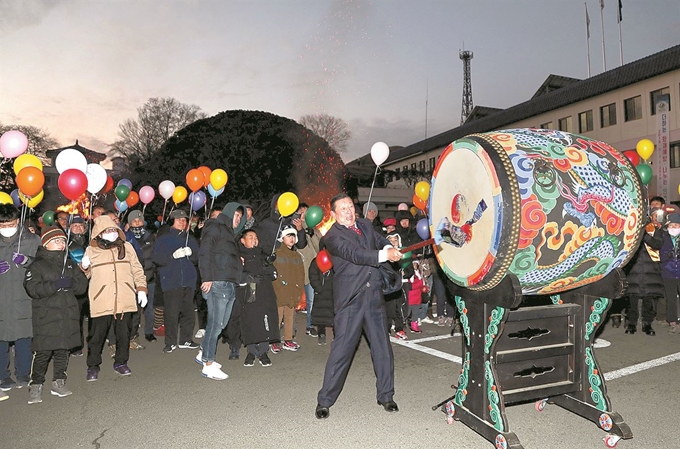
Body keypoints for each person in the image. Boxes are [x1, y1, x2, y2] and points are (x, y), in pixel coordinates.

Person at [315, 194, 403, 419]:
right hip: (350, 300)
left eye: (350, 206)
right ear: (333, 214)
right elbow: (355, 254)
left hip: (373, 295)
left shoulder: (364, 224)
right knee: (342, 351)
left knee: (382, 348)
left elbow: (378, 240)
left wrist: (389, 245)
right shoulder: (332, 236)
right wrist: (384, 254)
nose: (348, 211)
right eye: (342, 208)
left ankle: (386, 395)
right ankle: (325, 400)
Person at [24, 226, 88, 404]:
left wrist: (72, 284)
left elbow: (82, 285)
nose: (61, 244)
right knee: (43, 353)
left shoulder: (69, 262)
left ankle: (59, 382)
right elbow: (32, 288)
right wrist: (54, 285)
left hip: (67, 314)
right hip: (46, 316)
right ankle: (36, 385)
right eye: (56, 241)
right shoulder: (37, 265)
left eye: (62, 241)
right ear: (45, 244)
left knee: (63, 351)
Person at [80, 215, 148, 380]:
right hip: (102, 299)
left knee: (123, 334)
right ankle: (93, 365)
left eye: (113, 230)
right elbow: (85, 276)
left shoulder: (127, 247)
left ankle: (121, 362)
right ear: (99, 233)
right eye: (107, 230)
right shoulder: (91, 250)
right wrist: (84, 266)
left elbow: (137, 269)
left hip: (124, 297)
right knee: (97, 336)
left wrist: (141, 289)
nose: (111, 233)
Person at [197, 203, 245, 380]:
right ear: (229, 213)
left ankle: (203, 353)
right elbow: (205, 252)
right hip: (218, 282)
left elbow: (222, 254)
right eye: (236, 215)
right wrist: (207, 277)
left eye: (241, 217)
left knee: (220, 324)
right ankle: (208, 363)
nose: (238, 219)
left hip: (229, 282)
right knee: (216, 324)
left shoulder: (229, 233)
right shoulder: (216, 227)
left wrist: (237, 261)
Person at [0, 204, 41, 395]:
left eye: (10, 224)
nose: (7, 227)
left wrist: (27, 261)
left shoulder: (32, 240)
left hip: (23, 296)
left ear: (18, 221)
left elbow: (44, 265)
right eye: (2, 224)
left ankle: (23, 373)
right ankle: (2, 375)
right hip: (2, 298)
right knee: (1, 339)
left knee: (24, 337)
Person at [152, 209, 200, 353]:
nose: (182, 222)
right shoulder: (163, 239)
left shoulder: (190, 239)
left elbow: (198, 258)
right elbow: (157, 258)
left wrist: (191, 254)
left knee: (188, 312)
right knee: (171, 313)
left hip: (188, 281)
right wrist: (172, 256)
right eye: (178, 220)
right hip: (171, 281)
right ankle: (170, 342)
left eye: (184, 220)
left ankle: (186, 339)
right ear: (172, 221)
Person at [234, 229, 279, 367]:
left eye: (256, 237)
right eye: (251, 237)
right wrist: (247, 277)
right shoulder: (238, 256)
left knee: (265, 319)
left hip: (264, 292)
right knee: (250, 320)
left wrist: (266, 269)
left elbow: (274, 273)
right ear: (243, 240)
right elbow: (234, 275)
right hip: (248, 293)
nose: (254, 240)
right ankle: (252, 351)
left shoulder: (263, 255)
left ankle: (264, 351)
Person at [622, 200, 665, 336]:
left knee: (649, 300)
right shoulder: (632, 227)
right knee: (632, 299)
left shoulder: (655, 229)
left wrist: (644, 235)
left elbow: (657, 244)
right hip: (634, 269)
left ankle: (647, 324)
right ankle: (631, 323)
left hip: (650, 270)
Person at [124, 210, 157, 344]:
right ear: (129, 223)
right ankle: (132, 334)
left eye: (139, 220)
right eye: (134, 221)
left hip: (149, 277)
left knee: (149, 308)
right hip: (132, 279)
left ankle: (149, 332)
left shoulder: (150, 237)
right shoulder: (126, 237)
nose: (137, 223)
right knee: (134, 309)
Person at [271, 225, 305, 353]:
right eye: (288, 235)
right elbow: (274, 274)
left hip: (292, 291)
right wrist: (278, 287)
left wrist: (298, 289)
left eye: (293, 236)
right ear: (282, 238)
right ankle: (274, 341)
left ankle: (288, 340)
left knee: (290, 315)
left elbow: (300, 274)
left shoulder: (296, 256)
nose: (291, 238)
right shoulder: (277, 254)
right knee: (278, 316)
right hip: (280, 292)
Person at [297, 203, 321, 338]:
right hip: (297, 268)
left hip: (312, 270)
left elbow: (320, 248)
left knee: (311, 300)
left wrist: (311, 234)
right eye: (302, 212)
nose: (304, 215)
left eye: (306, 212)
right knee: (291, 300)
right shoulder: (293, 227)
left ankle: (310, 325)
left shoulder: (315, 230)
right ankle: (287, 327)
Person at [659, 213, 680, 333]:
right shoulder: (664, 237)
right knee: (671, 299)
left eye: (676, 225)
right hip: (668, 273)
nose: (674, 227)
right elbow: (660, 255)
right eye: (671, 225)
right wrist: (668, 254)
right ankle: (673, 322)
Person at [309, 249, 334, 345]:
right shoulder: (316, 261)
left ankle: (336, 335)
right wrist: (318, 288)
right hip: (320, 293)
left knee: (334, 315)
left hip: (332, 292)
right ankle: (321, 333)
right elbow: (313, 275)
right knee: (320, 315)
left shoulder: (335, 259)